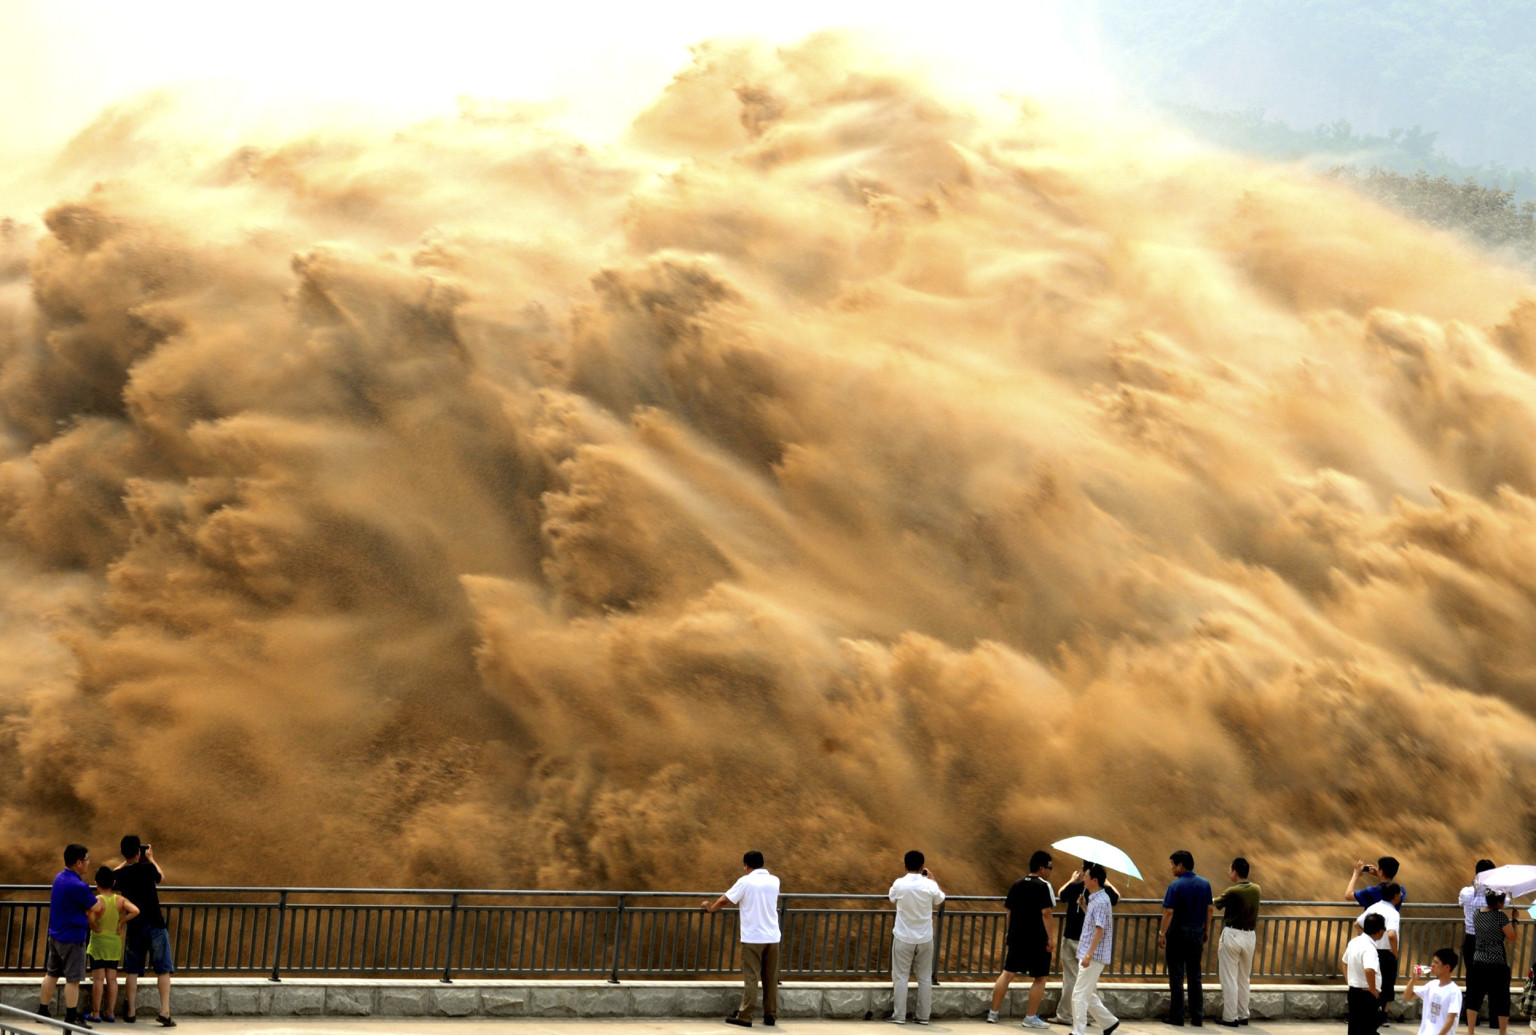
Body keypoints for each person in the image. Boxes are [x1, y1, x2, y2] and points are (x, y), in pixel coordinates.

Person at [703, 850, 781, 1028]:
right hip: (773, 936)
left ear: (746, 865)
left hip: (753, 936)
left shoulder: (745, 882)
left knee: (752, 977)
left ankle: (745, 1016)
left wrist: (711, 908)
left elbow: (726, 900)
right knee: (770, 977)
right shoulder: (775, 881)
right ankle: (771, 1015)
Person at [40, 844, 105, 1029]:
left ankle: (42, 1011)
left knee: (51, 973)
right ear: (78, 863)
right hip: (72, 938)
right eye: (87, 860)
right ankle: (71, 1017)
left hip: (55, 935)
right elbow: (97, 908)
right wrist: (97, 902)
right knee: (73, 980)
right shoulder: (79, 885)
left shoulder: (59, 878)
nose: (88, 864)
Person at [988, 850, 1056, 1027]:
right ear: (1041, 868)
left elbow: (1009, 910)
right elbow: (1046, 913)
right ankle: (1030, 1018)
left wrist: (1009, 931)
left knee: (1007, 973)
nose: (1050, 871)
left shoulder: (1017, 884)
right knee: (1040, 977)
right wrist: (1051, 938)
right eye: (1050, 867)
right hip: (1037, 939)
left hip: (1017, 936)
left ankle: (993, 1013)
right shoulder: (1044, 886)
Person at [114, 836, 175, 1027]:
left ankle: (131, 1011)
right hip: (156, 924)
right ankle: (165, 1011)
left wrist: (126, 861)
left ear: (124, 853)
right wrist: (151, 858)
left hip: (135, 926)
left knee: (132, 970)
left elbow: (109, 876)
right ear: (139, 852)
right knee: (163, 969)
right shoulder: (148, 868)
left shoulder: (122, 874)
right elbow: (161, 877)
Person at [1051, 862, 1121, 1026]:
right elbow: (1117, 897)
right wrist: (1105, 880)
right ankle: (1103, 1021)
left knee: (1073, 983)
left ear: (1090, 876)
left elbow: (1061, 894)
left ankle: (1070, 1018)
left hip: (1080, 943)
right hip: (1086, 944)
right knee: (1086, 986)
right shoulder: (1102, 894)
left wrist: (1072, 880)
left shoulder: (1088, 892)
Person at [887, 850, 945, 1025]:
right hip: (925, 938)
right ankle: (923, 1017)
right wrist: (932, 879)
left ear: (905, 866)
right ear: (922, 867)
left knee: (901, 977)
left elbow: (892, 898)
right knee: (925, 978)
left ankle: (899, 1016)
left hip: (904, 937)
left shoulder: (899, 883)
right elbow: (940, 899)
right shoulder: (929, 885)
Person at [1158, 850, 1213, 1027]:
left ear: (1181, 866)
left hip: (1177, 935)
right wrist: (1206, 930)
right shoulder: (1205, 884)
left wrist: (1162, 934)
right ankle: (1197, 1017)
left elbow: (1168, 911)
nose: (1171, 868)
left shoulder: (1175, 886)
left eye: (1173, 864)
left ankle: (1178, 1017)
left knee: (1176, 976)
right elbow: (1209, 909)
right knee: (1195, 976)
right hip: (1196, 933)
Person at [1069, 865, 1120, 1035]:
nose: (1083, 878)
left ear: (1095, 881)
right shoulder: (1096, 899)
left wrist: (1088, 955)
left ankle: (1079, 1032)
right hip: (1092, 954)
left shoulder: (1100, 900)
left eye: (1086, 876)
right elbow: (1094, 923)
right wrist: (1083, 907)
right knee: (1087, 994)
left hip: (1093, 955)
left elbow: (1100, 929)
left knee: (1079, 995)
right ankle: (1109, 1022)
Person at [86, 866, 139, 1024]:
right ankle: (110, 1013)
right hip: (114, 944)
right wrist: (121, 922)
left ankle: (96, 1013)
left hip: (98, 944)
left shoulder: (98, 901)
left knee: (98, 980)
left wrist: (94, 926)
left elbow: (89, 915)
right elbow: (135, 910)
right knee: (112, 979)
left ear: (97, 884)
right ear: (113, 883)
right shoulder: (120, 900)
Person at [1212, 858, 1261, 1028]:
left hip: (1232, 934)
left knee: (1229, 978)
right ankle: (1243, 1015)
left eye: (1229, 869)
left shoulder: (1233, 891)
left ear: (1235, 872)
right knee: (1243, 978)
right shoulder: (1257, 889)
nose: (1228, 872)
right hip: (1249, 937)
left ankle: (1229, 1017)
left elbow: (1214, 903)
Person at [1465, 891, 1518, 1035]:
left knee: (1474, 997)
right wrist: (1515, 920)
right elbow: (1512, 937)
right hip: (1497, 963)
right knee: (1501, 998)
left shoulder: (1477, 914)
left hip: (1478, 960)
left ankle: (1470, 1031)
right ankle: (1502, 1032)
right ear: (1499, 903)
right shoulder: (1500, 917)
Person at [1356, 882, 1404, 1027]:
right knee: (1388, 984)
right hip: (1386, 952)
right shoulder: (1393, 913)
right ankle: (1383, 1015)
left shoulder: (1374, 907)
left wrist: (1365, 939)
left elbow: (1357, 923)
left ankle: (1366, 1013)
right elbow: (1391, 935)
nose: (1401, 896)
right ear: (1396, 896)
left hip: (1371, 949)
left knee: (1370, 982)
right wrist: (1395, 952)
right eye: (1400, 893)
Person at [1344, 914, 1386, 1035]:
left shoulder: (1354, 941)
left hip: (1354, 992)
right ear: (1379, 931)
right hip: (1366, 995)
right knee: (1368, 1028)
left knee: (1355, 1028)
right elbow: (1369, 970)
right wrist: (1373, 989)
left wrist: (1349, 981)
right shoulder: (1369, 948)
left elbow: (1344, 962)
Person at [1405, 948, 1461, 1035]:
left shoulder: (1454, 991)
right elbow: (1407, 996)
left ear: (1447, 967)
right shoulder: (1432, 985)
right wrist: (1413, 979)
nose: (1432, 965)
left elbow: (1451, 1020)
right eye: (1433, 962)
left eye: (1436, 962)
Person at [1457, 862, 1496, 978]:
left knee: (1471, 973)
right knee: (1487, 975)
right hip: (1489, 940)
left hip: (1470, 939)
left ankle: (1471, 995)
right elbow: (1505, 902)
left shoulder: (1465, 892)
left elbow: (1460, 903)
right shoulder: (1495, 895)